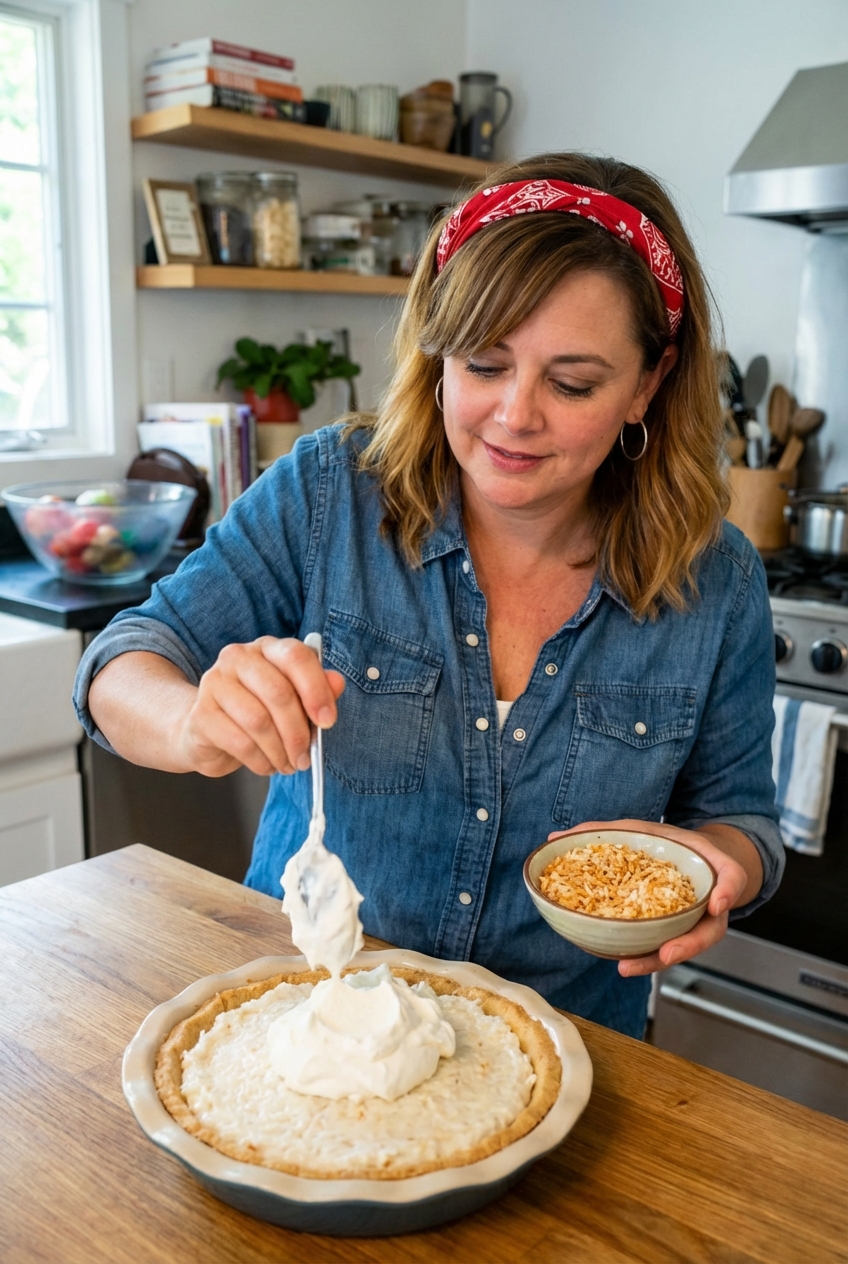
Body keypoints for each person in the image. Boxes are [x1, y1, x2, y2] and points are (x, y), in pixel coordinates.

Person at [74, 153, 783, 1039]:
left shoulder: (716, 580)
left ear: (649, 381)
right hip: (312, 1021)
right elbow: (121, 662)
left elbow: (744, 820)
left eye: (571, 383)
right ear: (437, 354)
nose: (515, 415)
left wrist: (720, 862)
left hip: (569, 1052)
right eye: (485, 364)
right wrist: (191, 721)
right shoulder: (333, 492)